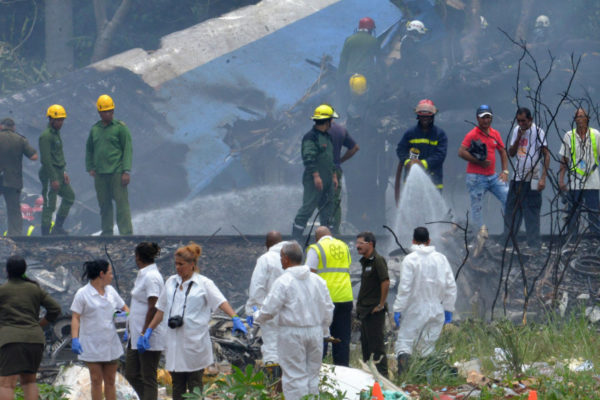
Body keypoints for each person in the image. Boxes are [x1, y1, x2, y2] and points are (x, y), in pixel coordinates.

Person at [140, 243, 246, 400]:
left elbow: (221, 301)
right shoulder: (170, 283)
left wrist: (235, 317)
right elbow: (161, 310)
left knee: (195, 386)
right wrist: (148, 331)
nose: (178, 268)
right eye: (176, 264)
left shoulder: (204, 284)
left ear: (192, 265)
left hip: (195, 344)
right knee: (177, 386)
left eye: (181, 264)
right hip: (174, 344)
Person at [254, 241, 334, 400]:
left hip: (292, 333)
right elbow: (328, 308)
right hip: (316, 332)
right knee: (312, 376)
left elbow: (270, 310)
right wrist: (324, 330)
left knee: (294, 376)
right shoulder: (318, 281)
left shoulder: (283, 281)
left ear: (285, 258)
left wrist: (257, 316)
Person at [392, 227, 457, 375]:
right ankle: (424, 381)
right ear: (429, 241)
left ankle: (405, 380)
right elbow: (451, 286)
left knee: (405, 343)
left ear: (413, 241)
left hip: (415, 309)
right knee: (427, 347)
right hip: (437, 309)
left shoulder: (410, 260)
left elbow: (405, 288)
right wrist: (448, 309)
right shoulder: (441, 259)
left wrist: (398, 309)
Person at [0, 256, 61, 400]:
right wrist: (39, 324)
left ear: (6, 270)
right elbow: (55, 309)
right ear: (24, 270)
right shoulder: (35, 289)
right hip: (35, 340)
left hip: (11, 341)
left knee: (6, 384)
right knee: (29, 381)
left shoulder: (3, 290)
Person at [70, 259, 129, 400]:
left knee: (110, 380)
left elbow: (125, 308)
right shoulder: (83, 293)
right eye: (110, 273)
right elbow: (76, 317)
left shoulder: (111, 291)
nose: (112, 276)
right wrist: (75, 339)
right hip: (91, 344)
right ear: (101, 274)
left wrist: (127, 325)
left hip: (111, 343)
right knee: (96, 380)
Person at [85, 94, 133, 236]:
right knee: (104, 204)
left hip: (117, 172)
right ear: (99, 113)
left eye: (110, 111)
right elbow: (89, 149)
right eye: (105, 111)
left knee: (121, 204)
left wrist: (126, 171)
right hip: (100, 174)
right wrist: (90, 167)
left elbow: (127, 149)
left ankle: (126, 233)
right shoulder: (95, 129)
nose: (108, 114)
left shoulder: (120, 128)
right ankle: (107, 232)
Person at [305, 226, 353, 367]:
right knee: (342, 338)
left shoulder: (316, 248)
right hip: (345, 297)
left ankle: (321, 369)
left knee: (321, 336)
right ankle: (343, 370)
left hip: (324, 299)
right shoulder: (343, 246)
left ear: (316, 237)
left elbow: (309, 274)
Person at [458, 105, 509, 233]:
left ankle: (509, 232)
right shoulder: (472, 134)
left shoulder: (495, 133)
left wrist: (505, 171)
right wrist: (479, 162)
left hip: (493, 176)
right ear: (477, 119)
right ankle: (479, 235)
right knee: (477, 207)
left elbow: (503, 151)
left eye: (488, 117)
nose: (486, 120)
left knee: (508, 198)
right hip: (476, 177)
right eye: (483, 118)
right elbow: (461, 152)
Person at [503, 108, 549, 247]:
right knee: (512, 211)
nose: (521, 123)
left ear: (530, 119)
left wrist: (543, 178)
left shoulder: (538, 131)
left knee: (532, 212)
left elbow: (546, 155)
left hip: (533, 177)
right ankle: (508, 243)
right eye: (519, 121)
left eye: (523, 121)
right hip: (517, 178)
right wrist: (518, 137)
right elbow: (511, 153)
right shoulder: (517, 130)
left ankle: (534, 244)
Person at [124, 242, 165, 400]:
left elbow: (153, 306)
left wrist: (145, 332)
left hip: (148, 334)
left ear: (138, 257)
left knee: (148, 376)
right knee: (132, 373)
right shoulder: (143, 274)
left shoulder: (151, 277)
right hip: (136, 334)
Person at [292, 105, 339, 240]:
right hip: (315, 181)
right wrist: (316, 176)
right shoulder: (310, 137)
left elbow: (331, 158)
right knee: (307, 208)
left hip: (328, 179)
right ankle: (296, 240)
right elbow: (308, 157)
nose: (333, 122)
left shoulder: (328, 137)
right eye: (331, 120)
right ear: (326, 121)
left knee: (327, 210)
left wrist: (334, 175)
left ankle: (326, 240)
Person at [245, 231, 287, 372]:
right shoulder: (292, 257)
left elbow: (257, 287)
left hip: (270, 312)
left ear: (267, 245)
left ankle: (273, 383)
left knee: (271, 347)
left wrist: (253, 310)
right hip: (290, 311)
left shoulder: (266, 259)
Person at [395, 99, 448, 203]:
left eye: (427, 116)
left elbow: (440, 155)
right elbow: (400, 149)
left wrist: (423, 163)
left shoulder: (440, 134)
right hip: (412, 181)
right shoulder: (409, 133)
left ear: (433, 116)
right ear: (418, 116)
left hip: (434, 180)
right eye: (422, 116)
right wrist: (408, 162)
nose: (425, 119)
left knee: (433, 212)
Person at [558, 108, 600, 234]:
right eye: (577, 117)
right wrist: (561, 180)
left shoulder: (596, 135)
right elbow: (564, 159)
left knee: (594, 213)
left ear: (587, 118)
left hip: (592, 181)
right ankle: (572, 238)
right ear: (575, 119)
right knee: (573, 213)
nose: (580, 119)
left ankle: (595, 239)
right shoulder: (569, 136)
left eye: (582, 116)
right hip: (575, 181)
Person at [356, 231, 389, 377]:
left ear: (370, 244)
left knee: (377, 347)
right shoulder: (365, 262)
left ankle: (383, 378)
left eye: (360, 244)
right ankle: (370, 378)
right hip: (365, 312)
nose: (357, 246)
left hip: (374, 311)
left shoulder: (378, 260)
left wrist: (381, 304)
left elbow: (385, 281)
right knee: (366, 347)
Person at [39, 105, 75, 235]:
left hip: (59, 172)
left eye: (62, 120)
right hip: (50, 173)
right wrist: (53, 178)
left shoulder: (56, 134)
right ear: (51, 120)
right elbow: (46, 159)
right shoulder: (46, 136)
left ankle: (57, 227)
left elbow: (59, 155)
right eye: (58, 120)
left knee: (70, 196)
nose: (60, 123)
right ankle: (45, 234)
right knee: (50, 204)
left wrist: (64, 171)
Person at [0, 118, 38, 236]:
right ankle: (15, 235)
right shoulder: (20, 139)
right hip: (13, 180)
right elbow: (34, 157)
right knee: (14, 209)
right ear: (13, 127)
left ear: (1, 126)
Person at [328, 119, 359, 234]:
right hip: (337, 169)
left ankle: (324, 231)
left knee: (319, 201)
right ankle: (334, 232)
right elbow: (355, 148)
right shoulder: (341, 130)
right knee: (335, 202)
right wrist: (340, 160)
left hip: (323, 171)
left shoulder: (321, 132)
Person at [338, 17, 381, 97]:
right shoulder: (373, 41)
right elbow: (380, 60)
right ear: (370, 29)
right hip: (366, 76)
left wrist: (339, 76)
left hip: (349, 76)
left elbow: (343, 60)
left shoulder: (349, 39)